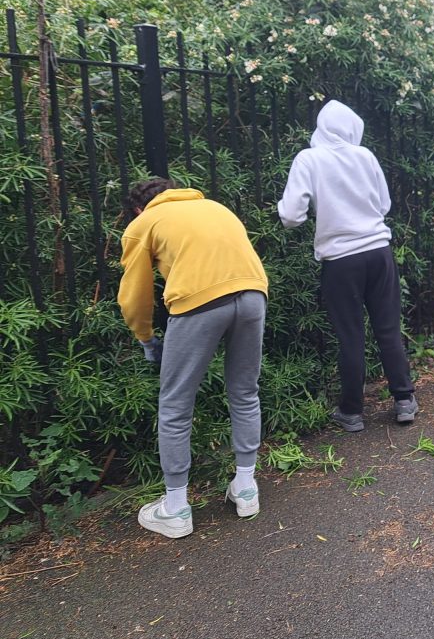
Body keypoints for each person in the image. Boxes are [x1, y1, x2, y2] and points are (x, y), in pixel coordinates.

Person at [118, 178, 268, 539]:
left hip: (198, 301)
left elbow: (134, 295)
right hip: (253, 293)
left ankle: (176, 508)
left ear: (138, 209)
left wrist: (145, 337)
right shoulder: (216, 207)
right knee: (245, 392)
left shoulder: (144, 223)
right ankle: (246, 489)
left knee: (175, 405)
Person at [278, 100, 418, 433]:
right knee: (388, 329)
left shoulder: (308, 159)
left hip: (341, 261)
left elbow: (291, 217)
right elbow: (383, 204)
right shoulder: (365, 155)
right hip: (378, 251)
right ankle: (404, 400)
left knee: (351, 336)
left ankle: (352, 412)